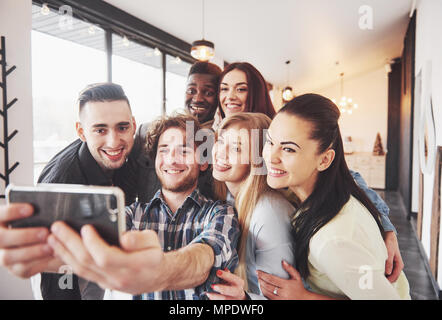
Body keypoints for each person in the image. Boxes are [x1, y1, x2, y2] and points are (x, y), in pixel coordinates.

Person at [0, 113, 240, 300]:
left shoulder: (221, 214)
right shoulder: (131, 215)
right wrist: (40, 246)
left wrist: (156, 271)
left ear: (204, 162)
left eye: (184, 150)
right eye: (164, 150)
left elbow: (205, 258)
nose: (172, 159)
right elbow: (86, 244)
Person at [257, 93, 410, 299]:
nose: (271, 156)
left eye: (288, 149)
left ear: (325, 160)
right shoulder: (331, 192)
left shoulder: (332, 240)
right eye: (270, 142)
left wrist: (304, 297)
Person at [37, 83, 139, 300]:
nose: (114, 142)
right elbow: (57, 278)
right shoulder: (63, 185)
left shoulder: (128, 156)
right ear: (81, 132)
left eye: (122, 128)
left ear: (133, 126)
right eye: (100, 130)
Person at [205, 112, 295, 300]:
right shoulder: (228, 198)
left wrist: (244, 300)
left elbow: (280, 297)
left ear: (257, 159)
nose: (221, 152)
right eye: (221, 141)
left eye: (237, 148)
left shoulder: (269, 213)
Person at [131, 61, 222, 203]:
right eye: (191, 91)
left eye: (208, 92)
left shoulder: (219, 145)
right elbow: (125, 189)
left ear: (219, 98)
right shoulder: (146, 133)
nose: (197, 98)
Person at [213, 62, 276, 130]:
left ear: (257, 94)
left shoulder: (273, 136)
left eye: (240, 89)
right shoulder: (217, 135)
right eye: (224, 89)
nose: (230, 96)